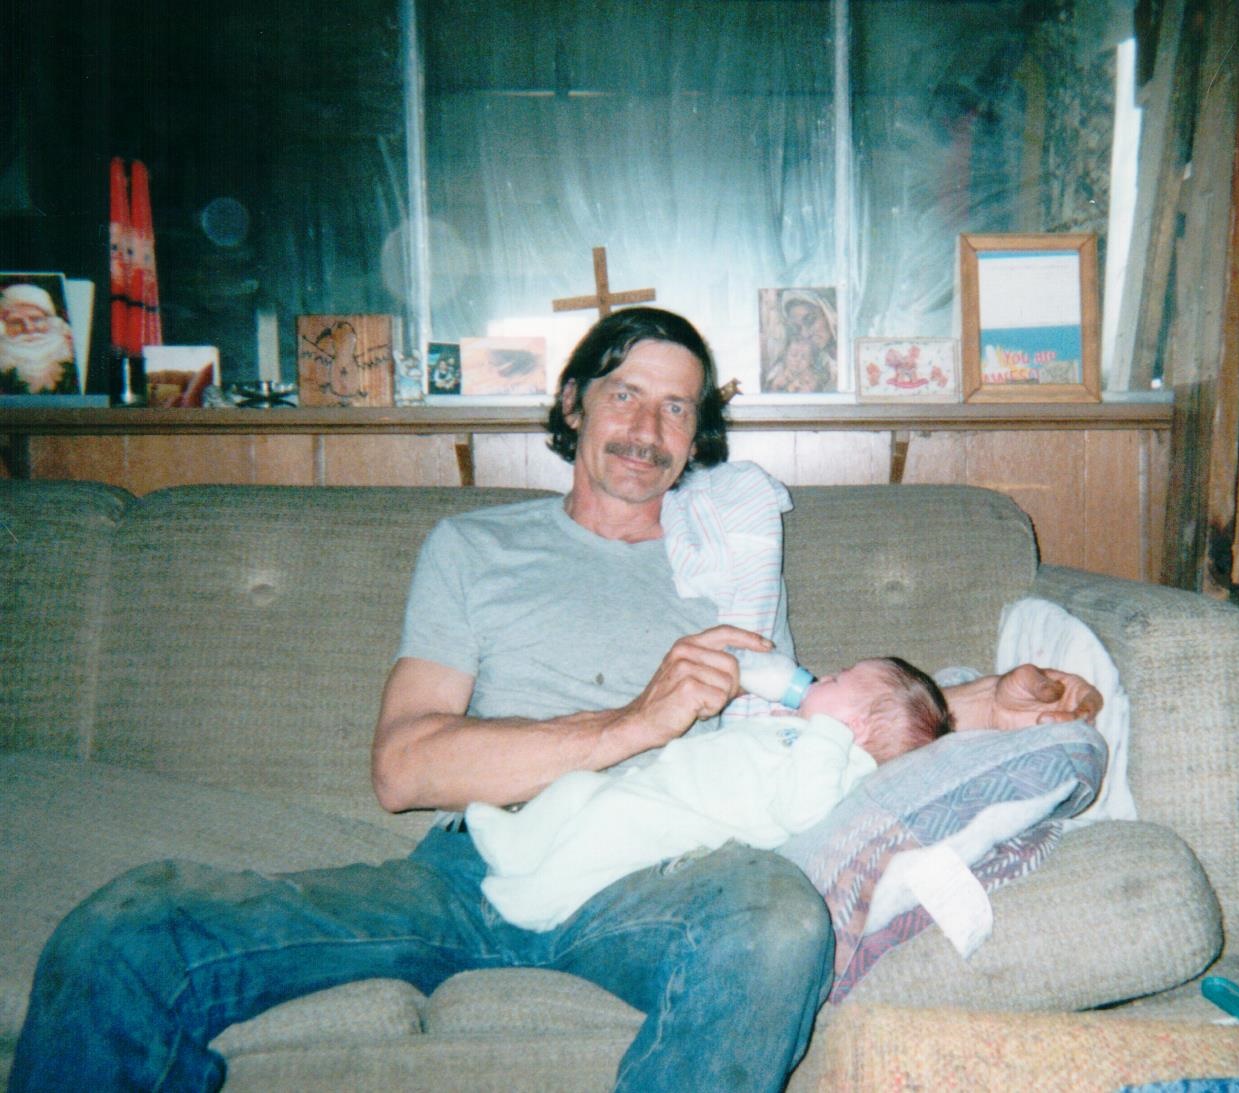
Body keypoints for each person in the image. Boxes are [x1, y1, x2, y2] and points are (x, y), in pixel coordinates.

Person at [11, 306, 1100, 1093]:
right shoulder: (473, 547)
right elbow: (403, 767)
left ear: (697, 436)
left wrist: (988, 699)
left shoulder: (728, 561)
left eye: (676, 409)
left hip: (655, 874)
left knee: (777, 917)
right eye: (624, 393)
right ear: (574, 403)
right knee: (128, 930)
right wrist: (631, 723)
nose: (647, 428)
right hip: (467, 869)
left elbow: (832, 710)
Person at [469, 656, 953, 931]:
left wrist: (825, 734)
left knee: (610, 819)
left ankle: (536, 902)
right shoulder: (807, 737)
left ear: (856, 725)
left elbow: (802, 810)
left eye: (838, 679)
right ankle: (518, 841)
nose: (824, 677)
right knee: (580, 787)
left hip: (689, 821)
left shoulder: (839, 761)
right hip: (664, 785)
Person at [0, 281, 78, 395]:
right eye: (16, 322)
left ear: (51, 321)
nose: (29, 328)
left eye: (36, 319)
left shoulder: (72, 354)